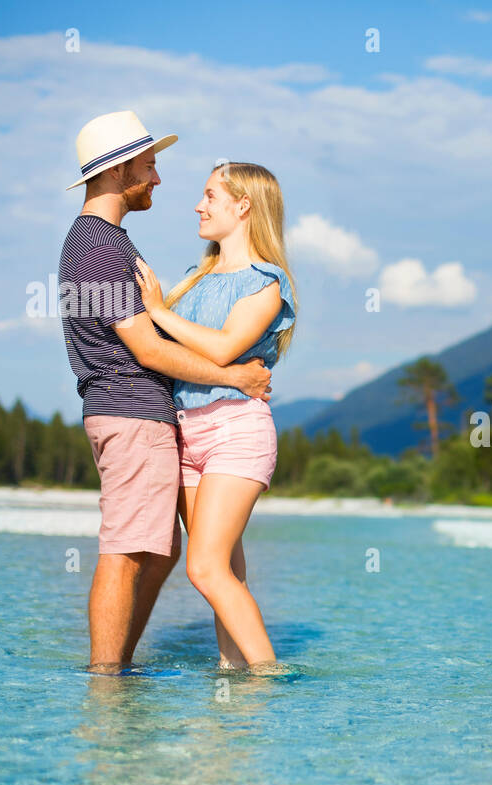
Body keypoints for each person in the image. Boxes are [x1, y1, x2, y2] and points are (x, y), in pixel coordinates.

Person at [59, 111, 273, 673]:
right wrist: (236, 376)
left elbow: (159, 333)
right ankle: (107, 680)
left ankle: (117, 672)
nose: (157, 179)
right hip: (131, 415)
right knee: (129, 552)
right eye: (149, 166)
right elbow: (149, 350)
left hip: (145, 417)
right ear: (120, 169)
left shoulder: (104, 241)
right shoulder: (97, 245)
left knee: (160, 553)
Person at [132, 162, 298, 668]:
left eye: (209, 196)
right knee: (225, 566)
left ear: (243, 206)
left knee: (204, 568)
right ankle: (233, 670)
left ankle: (269, 675)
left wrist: (159, 312)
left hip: (236, 431)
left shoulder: (266, 284)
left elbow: (224, 350)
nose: (198, 206)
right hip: (186, 433)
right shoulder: (193, 279)